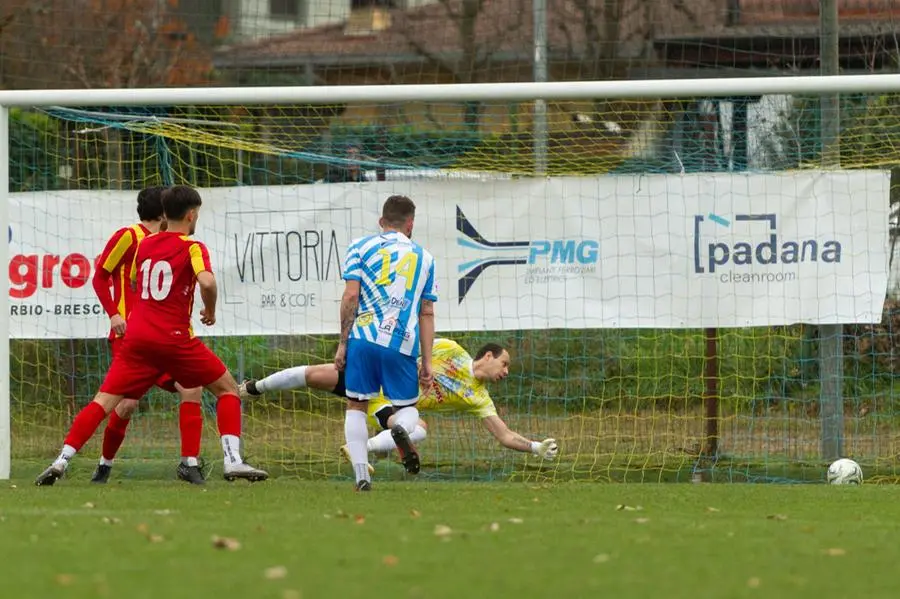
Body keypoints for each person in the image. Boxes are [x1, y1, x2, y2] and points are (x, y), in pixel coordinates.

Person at [35, 185, 267, 486]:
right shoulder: (192, 247)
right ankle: (233, 460)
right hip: (173, 339)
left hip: (136, 339)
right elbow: (207, 282)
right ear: (192, 214)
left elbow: (133, 279)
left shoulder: (145, 245)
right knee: (227, 389)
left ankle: (61, 460)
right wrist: (210, 310)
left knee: (103, 401)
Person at [239, 339, 560, 469]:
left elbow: (503, 436)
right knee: (313, 374)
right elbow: (406, 347)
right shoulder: (448, 350)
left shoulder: (479, 399)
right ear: (487, 356)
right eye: (504, 364)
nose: (505, 372)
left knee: (418, 427)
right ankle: (254, 388)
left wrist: (534, 447)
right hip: (375, 378)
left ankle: (360, 449)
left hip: (393, 407)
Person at [89, 186, 205, 485]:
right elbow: (101, 276)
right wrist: (115, 314)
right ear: (163, 214)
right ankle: (104, 466)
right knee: (126, 406)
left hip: (163, 338)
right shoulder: (130, 237)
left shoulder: (171, 242)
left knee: (191, 387)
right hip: (132, 338)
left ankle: (189, 463)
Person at [335, 195, 436, 491]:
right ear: (410, 224)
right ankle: (400, 430)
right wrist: (427, 363)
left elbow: (351, 296)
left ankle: (361, 476)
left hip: (363, 339)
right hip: (401, 343)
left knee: (356, 404)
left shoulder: (359, 246)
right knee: (408, 410)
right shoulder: (425, 258)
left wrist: (343, 343)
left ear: (382, 222)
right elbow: (427, 311)